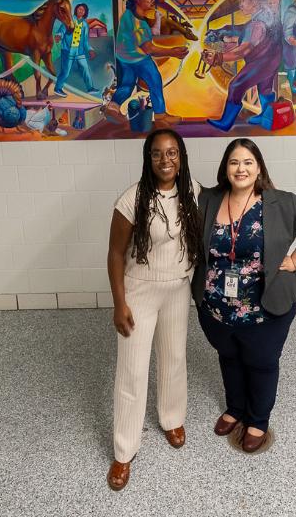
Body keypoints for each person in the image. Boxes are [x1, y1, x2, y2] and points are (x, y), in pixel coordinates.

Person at [193, 139, 296, 453]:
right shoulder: (208, 200)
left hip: (264, 308)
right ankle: (236, 408)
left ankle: (258, 419)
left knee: (261, 362)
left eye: (247, 162)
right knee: (228, 357)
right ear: (225, 168)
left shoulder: (281, 203)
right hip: (216, 307)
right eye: (233, 162)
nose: (240, 169)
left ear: (259, 168)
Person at [106, 129, 203, 491]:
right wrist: (120, 303)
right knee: (132, 370)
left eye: (173, 153)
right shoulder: (132, 199)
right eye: (158, 154)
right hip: (140, 292)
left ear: (181, 157)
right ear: (148, 159)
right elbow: (116, 254)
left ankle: (172, 418)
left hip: (178, 289)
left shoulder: (193, 191)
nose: (166, 160)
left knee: (174, 357)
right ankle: (124, 450)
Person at [108, 0, 190, 131]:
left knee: (126, 85)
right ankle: (160, 116)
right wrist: (173, 52)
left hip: (124, 57)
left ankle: (112, 108)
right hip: (138, 59)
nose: (151, 0)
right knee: (155, 80)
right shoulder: (138, 23)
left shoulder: (129, 14)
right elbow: (149, 48)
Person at [203, 0, 281, 131]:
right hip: (271, 60)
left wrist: (217, 58)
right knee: (264, 88)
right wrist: (223, 32)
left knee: (236, 86)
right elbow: (243, 30)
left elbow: (242, 51)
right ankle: (265, 114)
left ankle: (226, 122)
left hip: (260, 62)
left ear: (255, 2)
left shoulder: (257, 25)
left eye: (244, 0)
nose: (240, 4)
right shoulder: (266, 15)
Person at [53, 2, 98, 97]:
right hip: (68, 50)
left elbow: (85, 40)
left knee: (85, 68)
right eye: (79, 9)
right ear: (76, 10)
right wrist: (58, 36)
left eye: (83, 10)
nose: (81, 11)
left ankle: (90, 88)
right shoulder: (69, 19)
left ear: (85, 12)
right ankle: (58, 88)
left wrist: (90, 49)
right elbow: (62, 30)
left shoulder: (85, 25)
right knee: (65, 71)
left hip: (79, 51)